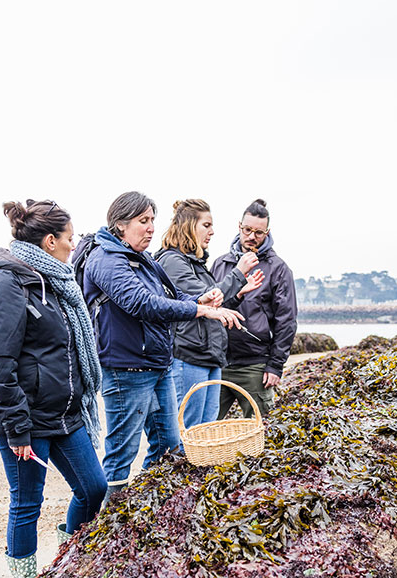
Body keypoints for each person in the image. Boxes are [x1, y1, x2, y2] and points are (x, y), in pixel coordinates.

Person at [0, 200, 108, 578]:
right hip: (24, 421)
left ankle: (69, 560)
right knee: (27, 503)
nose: (74, 243)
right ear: (50, 241)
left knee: (93, 489)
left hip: (66, 414)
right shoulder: (7, 283)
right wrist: (17, 430)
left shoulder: (59, 282)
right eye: (69, 237)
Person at [81, 191, 244, 495]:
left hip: (158, 365)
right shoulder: (106, 260)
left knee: (168, 447)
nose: (151, 227)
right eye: (143, 221)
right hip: (124, 370)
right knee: (120, 454)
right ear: (120, 224)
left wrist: (199, 299)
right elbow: (142, 304)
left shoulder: (143, 258)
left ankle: (146, 506)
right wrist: (200, 310)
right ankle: (106, 523)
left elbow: (170, 297)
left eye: (152, 220)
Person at [157, 199, 265, 429]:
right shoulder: (173, 262)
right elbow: (204, 299)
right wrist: (238, 273)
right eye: (206, 225)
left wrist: (238, 294)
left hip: (210, 356)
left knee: (207, 429)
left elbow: (213, 304)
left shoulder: (195, 263)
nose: (212, 231)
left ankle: (200, 467)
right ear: (188, 226)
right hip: (189, 356)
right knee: (190, 428)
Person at [211, 199, 297, 418]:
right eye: (248, 230)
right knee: (206, 427)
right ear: (239, 226)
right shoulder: (220, 264)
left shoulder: (278, 269)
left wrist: (275, 365)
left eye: (259, 233)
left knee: (261, 430)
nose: (252, 237)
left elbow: (286, 321)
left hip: (255, 366)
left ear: (267, 232)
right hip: (218, 362)